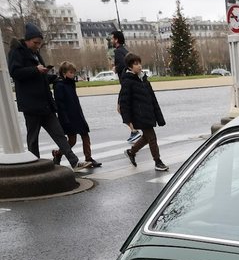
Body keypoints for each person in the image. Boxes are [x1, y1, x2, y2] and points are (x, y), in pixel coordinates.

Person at [8, 23, 91, 171]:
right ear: (27, 40)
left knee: (59, 134)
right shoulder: (16, 52)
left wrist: (54, 78)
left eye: (39, 43)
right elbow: (15, 73)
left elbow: (41, 76)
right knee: (33, 138)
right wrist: (35, 69)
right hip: (31, 104)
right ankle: (35, 166)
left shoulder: (35, 53)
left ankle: (74, 162)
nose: (38, 46)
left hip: (45, 103)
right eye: (35, 43)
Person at [119, 52, 168, 171]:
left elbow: (152, 98)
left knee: (146, 137)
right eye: (136, 64)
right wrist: (128, 121)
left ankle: (131, 152)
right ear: (130, 66)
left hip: (148, 113)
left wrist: (158, 116)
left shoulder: (144, 79)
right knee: (152, 137)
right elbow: (124, 102)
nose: (139, 66)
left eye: (139, 63)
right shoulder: (128, 81)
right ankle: (157, 161)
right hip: (139, 115)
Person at [51, 61, 101, 168]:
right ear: (64, 73)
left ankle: (89, 158)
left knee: (85, 136)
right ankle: (58, 153)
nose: (73, 74)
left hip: (77, 114)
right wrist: (64, 119)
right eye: (71, 72)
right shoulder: (59, 85)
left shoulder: (70, 83)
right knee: (72, 141)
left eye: (74, 72)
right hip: (68, 116)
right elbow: (60, 104)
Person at [111, 30, 140, 143]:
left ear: (116, 39)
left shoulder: (118, 52)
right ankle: (134, 130)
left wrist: (116, 68)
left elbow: (123, 65)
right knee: (126, 107)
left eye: (112, 38)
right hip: (128, 82)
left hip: (125, 84)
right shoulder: (124, 50)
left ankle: (134, 130)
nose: (111, 40)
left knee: (121, 108)